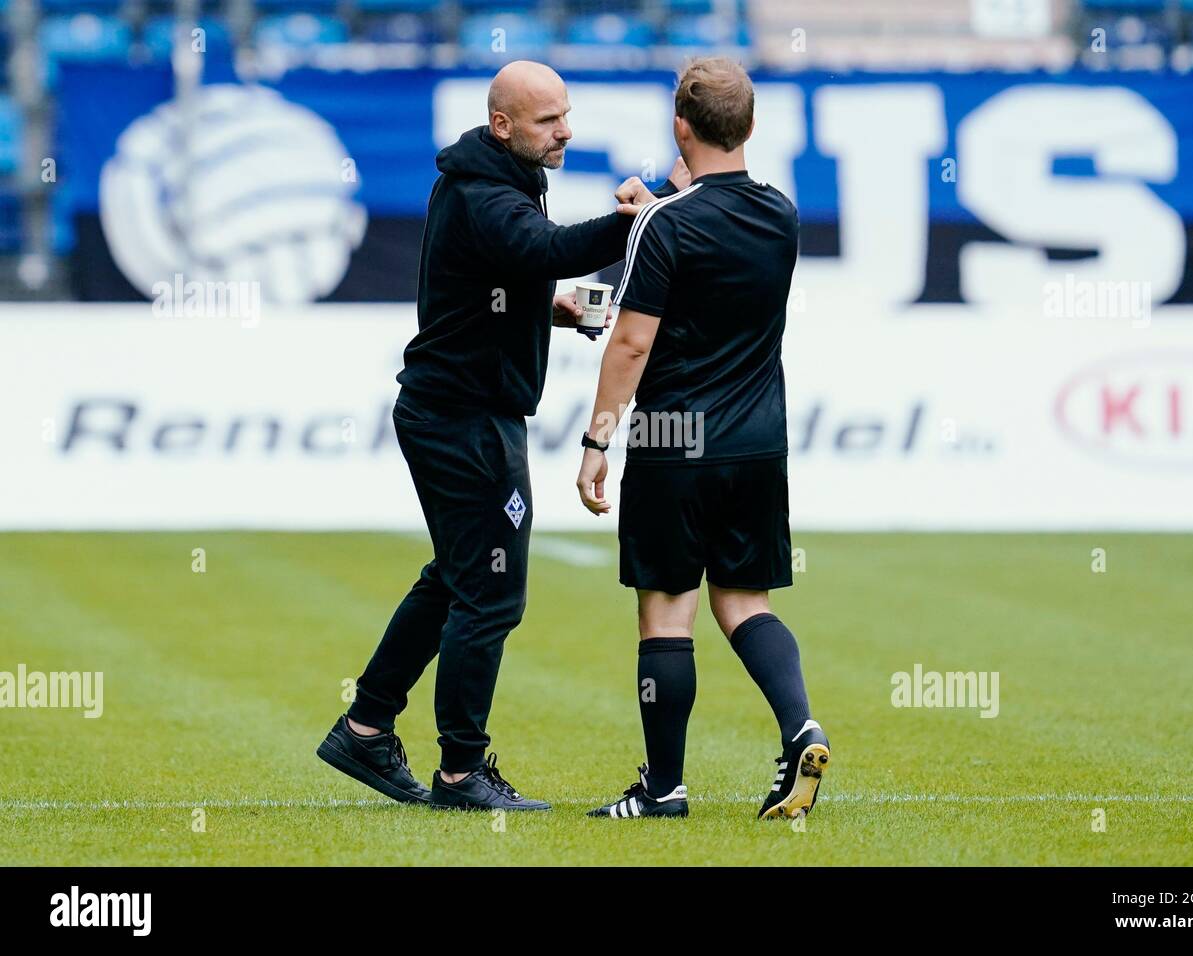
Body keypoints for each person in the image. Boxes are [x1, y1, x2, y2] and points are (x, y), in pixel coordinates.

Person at [318, 60, 688, 812]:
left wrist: (540, 311)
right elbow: (541, 251)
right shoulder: (488, 192)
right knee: (490, 595)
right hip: (464, 418)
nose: (567, 131)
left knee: (454, 579)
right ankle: (460, 772)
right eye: (550, 120)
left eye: (567, 114)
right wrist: (639, 220)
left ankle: (365, 726)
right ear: (503, 126)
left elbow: (508, 271)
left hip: (454, 408)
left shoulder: (493, 179)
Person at [575, 57, 829, 821]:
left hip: (673, 434)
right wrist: (663, 207)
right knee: (744, 601)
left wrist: (597, 441)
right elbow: (716, 232)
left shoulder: (665, 225)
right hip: (756, 437)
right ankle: (801, 729)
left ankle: (663, 788)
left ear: (679, 127)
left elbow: (629, 344)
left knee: (666, 612)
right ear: (750, 125)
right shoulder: (781, 214)